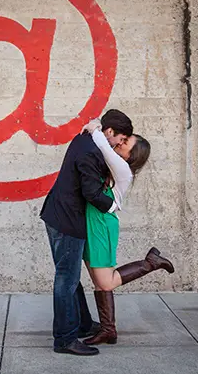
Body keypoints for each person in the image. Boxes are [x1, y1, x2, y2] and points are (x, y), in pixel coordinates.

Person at [40, 109, 133, 356]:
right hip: (67, 221)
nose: (120, 145)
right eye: (120, 140)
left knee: (70, 278)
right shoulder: (91, 153)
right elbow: (92, 193)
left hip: (59, 215)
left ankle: (81, 323)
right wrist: (113, 206)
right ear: (109, 132)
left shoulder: (88, 139)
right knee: (66, 280)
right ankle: (65, 339)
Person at [80, 119, 175, 346]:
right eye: (122, 140)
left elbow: (103, 145)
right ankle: (108, 330)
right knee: (98, 281)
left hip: (102, 225)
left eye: (125, 144)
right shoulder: (113, 165)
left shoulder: (123, 170)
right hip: (92, 223)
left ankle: (151, 262)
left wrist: (95, 128)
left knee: (107, 282)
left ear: (131, 156)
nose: (120, 144)